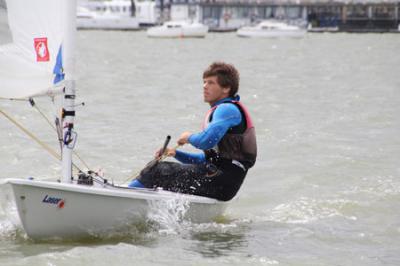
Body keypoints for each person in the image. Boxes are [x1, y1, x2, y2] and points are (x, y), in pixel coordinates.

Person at [129, 62, 257, 201]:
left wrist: (188, 137)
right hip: (222, 184)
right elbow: (205, 160)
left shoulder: (227, 109)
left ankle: (126, 195)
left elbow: (206, 142)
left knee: (156, 170)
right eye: (204, 82)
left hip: (220, 181)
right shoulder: (223, 111)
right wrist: (175, 153)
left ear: (226, 88)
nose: (204, 86)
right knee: (160, 173)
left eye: (211, 83)